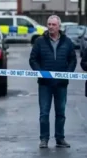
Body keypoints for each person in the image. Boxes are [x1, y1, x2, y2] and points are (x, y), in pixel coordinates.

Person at [29, 15, 77, 148]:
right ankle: (44, 139)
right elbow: (33, 59)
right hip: (45, 84)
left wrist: (68, 73)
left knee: (60, 113)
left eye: (53, 24)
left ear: (59, 26)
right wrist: (41, 73)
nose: (50, 27)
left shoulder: (67, 42)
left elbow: (73, 59)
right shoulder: (40, 41)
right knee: (44, 113)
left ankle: (60, 138)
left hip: (61, 84)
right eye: (49, 24)